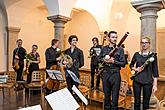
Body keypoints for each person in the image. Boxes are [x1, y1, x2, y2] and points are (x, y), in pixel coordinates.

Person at [130, 37, 159, 110]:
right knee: (137, 102)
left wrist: (155, 84)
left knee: (146, 103)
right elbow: (131, 65)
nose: (144, 44)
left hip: (148, 81)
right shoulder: (136, 54)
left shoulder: (153, 56)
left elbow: (155, 70)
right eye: (142, 43)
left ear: (149, 44)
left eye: (146, 43)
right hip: (137, 80)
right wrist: (135, 69)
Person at [99, 31, 125, 110]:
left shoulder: (120, 49)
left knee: (114, 99)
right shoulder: (104, 48)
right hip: (106, 74)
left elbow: (123, 63)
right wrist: (104, 59)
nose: (115, 39)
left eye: (116, 37)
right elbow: (99, 59)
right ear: (108, 38)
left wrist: (114, 61)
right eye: (113, 37)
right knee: (106, 97)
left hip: (115, 75)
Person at [64, 35, 84, 100]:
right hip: (68, 72)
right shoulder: (66, 51)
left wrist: (75, 65)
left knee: (75, 88)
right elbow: (63, 60)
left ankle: (76, 102)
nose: (75, 41)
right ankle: (70, 101)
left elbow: (82, 63)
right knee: (69, 88)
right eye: (73, 40)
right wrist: (64, 63)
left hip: (75, 72)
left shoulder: (79, 51)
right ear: (70, 41)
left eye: (76, 40)